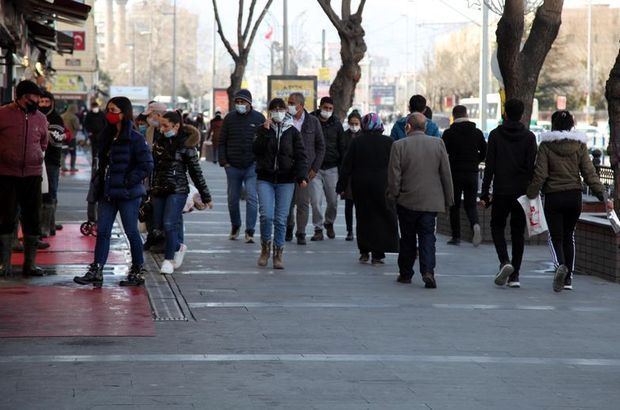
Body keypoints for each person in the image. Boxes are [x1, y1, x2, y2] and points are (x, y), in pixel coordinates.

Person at [526, 110, 613, 292]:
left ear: (553, 125)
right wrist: (603, 195)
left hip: (554, 197)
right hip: (574, 196)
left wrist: (531, 193)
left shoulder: (546, 146)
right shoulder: (579, 145)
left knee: (555, 236)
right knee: (569, 236)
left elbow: (540, 173)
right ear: (572, 125)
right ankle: (568, 280)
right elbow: (589, 173)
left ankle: (560, 266)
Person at [73, 97, 153, 287]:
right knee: (103, 232)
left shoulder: (135, 138)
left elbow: (147, 165)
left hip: (128, 194)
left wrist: (127, 181)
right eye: (108, 109)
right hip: (107, 193)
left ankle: (137, 270)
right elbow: (103, 164)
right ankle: (97, 269)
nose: (109, 113)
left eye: (114, 110)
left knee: (131, 232)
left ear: (124, 113)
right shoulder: (106, 136)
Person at [387, 113, 454, 289]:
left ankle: (405, 273)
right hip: (430, 201)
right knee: (427, 236)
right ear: (425, 127)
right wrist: (449, 199)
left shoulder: (398, 145)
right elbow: (446, 174)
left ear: (407, 126)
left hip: (406, 200)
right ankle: (428, 271)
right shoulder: (438, 143)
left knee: (407, 238)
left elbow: (394, 176)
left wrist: (393, 195)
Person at [480, 98, 537, 289]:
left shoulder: (496, 135)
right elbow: (532, 167)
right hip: (521, 192)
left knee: (496, 226)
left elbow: (490, 166)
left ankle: (504, 261)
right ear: (521, 114)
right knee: (518, 232)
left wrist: (485, 192)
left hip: (502, 189)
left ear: (505, 113)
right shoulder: (529, 137)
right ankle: (515, 276)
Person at [151, 110, 213, 275]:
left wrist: (206, 196)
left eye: (165, 125)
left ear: (176, 125)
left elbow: (196, 172)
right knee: (158, 227)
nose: (162, 129)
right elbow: (152, 168)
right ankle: (178, 246)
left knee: (170, 223)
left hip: (178, 190)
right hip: (159, 189)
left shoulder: (187, 146)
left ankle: (168, 259)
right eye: (161, 125)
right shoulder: (158, 143)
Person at [0, 80, 48, 277]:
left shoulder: (41, 118)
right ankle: (4, 264)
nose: (36, 101)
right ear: (19, 97)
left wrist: (35, 156)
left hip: (32, 174)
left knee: (32, 218)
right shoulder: (3, 114)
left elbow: (44, 143)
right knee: (5, 217)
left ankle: (30, 264)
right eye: (31, 97)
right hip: (5, 174)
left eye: (37, 97)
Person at [337, 113, 398, 264]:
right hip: (382, 186)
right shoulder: (389, 142)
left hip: (361, 186)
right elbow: (396, 166)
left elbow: (347, 166)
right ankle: (378, 254)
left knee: (363, 217)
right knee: (381, 218)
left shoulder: (357, 142)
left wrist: (341, 186)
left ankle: (364, 251)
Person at [253, 98, 308, 269]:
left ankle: (278, 253)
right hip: (265, 178)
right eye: (274, 109)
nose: (277, 111)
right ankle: (265, 248)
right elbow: (255, 151)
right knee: (266, 215)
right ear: (269, 111)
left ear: (285, 111)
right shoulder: (262, 129)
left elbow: (300, 156)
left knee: (280, 219)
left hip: (286, 180)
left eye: (281, 108)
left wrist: (301, 176)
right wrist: (264, 132)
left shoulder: (293, 132)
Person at [218, 89, 264, 243]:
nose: (240, 105)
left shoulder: (259, 118)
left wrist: (260, 161)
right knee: (232, 198)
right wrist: (224, 162)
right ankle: (235, 225)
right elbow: (222, 141)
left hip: (252, 166)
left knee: (252, 197)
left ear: (249, 103)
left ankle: (250, 230)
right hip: (233, 166)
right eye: (237, 102)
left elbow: (265, 141)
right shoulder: (229, 118)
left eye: (242, 102)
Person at [442, 105, 487, 246]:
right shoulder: (477, 132)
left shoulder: (448, 133)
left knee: (454, 205)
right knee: (470, 204)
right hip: (472, 173)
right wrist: (476, 161)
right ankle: (475, 225)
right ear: (466, 114)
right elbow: (485, 151)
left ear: (454, 116)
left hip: (455, 173)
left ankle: (456, 237)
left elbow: (443, 154)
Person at [285, 92, 325, 245]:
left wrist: (315, 169)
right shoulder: (284, 120)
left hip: (306, 171)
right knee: (288, 203)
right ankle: (289, 227)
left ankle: (300, 232)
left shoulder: (313, 122)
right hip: (287, 169)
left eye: (292, 103)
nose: (289, 106)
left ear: (301, 105)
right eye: (288, 103)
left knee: (302, 203)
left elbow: (321, 147)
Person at [310, 96, 345, 241]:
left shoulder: (336, 124)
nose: (327, 111)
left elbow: (342, 146)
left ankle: (329, 222)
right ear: (320, 107)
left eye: (330, 109)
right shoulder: (311, 121)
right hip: (314, 169)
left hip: (332, 168)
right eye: (325, 108)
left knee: (332, 201)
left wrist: (342, 170)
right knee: (315, 201)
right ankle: (318, 228)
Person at [38, 91, 66, 238]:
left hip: (51, 162)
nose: (43, 104)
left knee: (51, 193)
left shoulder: (56, 119)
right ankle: (48, 224)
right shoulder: (35, 116)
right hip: (36, 161)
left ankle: (48, 226)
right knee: (39, 194)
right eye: (41, 101)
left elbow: (56, 141)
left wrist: (42, 132)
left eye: (46, 102)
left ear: (52, 103)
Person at [342, 110, 362, 241]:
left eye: (356, 123)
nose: (354, 126)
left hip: (361, 175)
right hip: (348, 175)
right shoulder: (344, 136)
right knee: (349, 205)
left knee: (360, 206)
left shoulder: (364, 136)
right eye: (352, 123)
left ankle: (360, 230)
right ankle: (349, 230)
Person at [61, 103, 81, 172]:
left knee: (63, 152)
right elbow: (77, 127)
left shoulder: (62, 116)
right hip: (72, 137)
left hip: (63, 137)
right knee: (73, 153)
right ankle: (72, 167)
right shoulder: (74, 117)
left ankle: (63, 166)